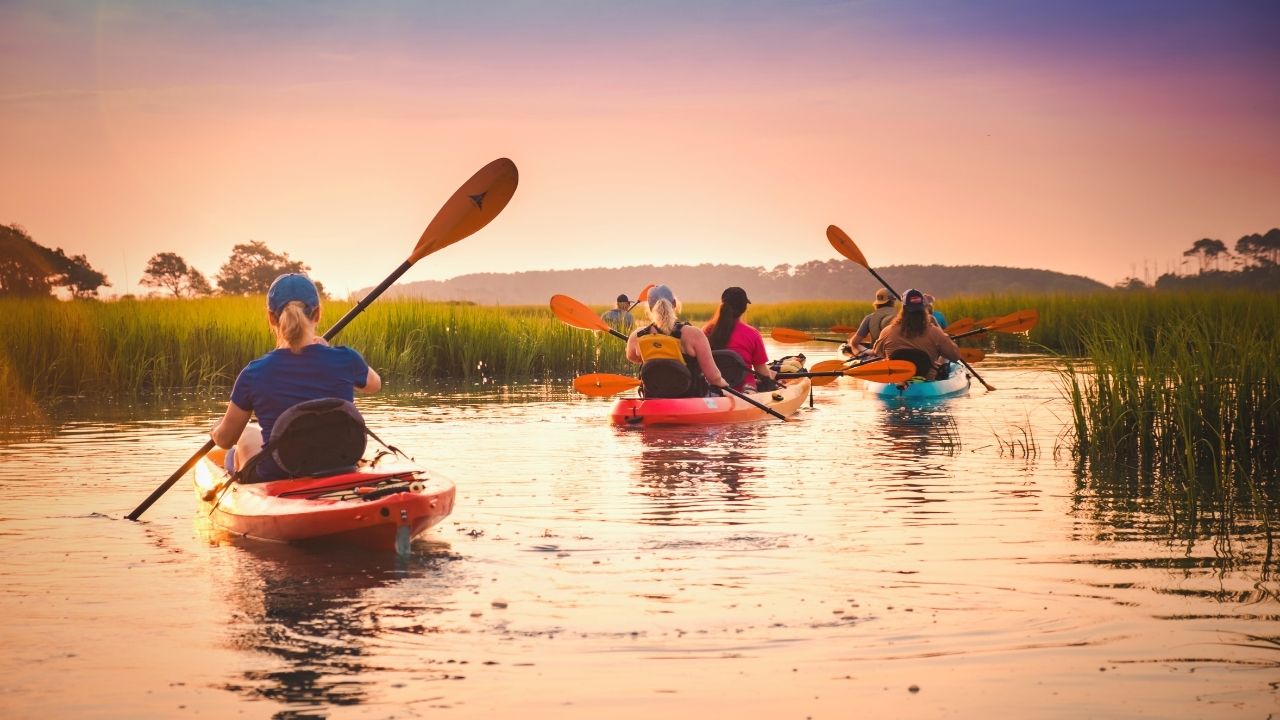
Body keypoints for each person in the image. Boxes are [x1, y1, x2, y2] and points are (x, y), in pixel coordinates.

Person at [210, 273, 382, 480]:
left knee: (245, 434)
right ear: (317, 314)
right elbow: (374, 385)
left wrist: (215, 431)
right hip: (340, 462)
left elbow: (226, 439)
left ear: (271, 317)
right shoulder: (347, 358)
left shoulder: (253, 373)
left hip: (277, 474)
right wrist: (333, 354)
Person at [625, 284, 731, 398]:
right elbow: (713, 377)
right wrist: (724, 385)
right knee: (726, 394)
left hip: (653, 396)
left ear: (650, 308)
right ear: (674, 304)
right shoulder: (694, 334)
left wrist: (656, 352)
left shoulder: (637, 336)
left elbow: (632, 357)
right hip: (691, 397)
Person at [872, 288, 962, 381]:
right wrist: (946, 338)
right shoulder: (935, 332)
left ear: (903, 309)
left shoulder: (887, 331)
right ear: (923, 309)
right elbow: (955, 356)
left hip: (897, 383)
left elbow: (878, 353)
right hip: (927, 384)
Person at [703, 286, 781, 392]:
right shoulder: (752, 334)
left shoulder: (706, 331)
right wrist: (771, 375)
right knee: (769, 380)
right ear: (744, 308)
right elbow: (762, 373)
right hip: (745, 391)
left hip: (714, 389)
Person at [845, 288, 898, 357]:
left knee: (852, 343)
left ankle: (861, 354)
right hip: (898, 352)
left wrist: (853, 346)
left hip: (878, 353)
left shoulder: (869, 318)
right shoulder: (901, 317)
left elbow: (855, 342)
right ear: (892, 301)